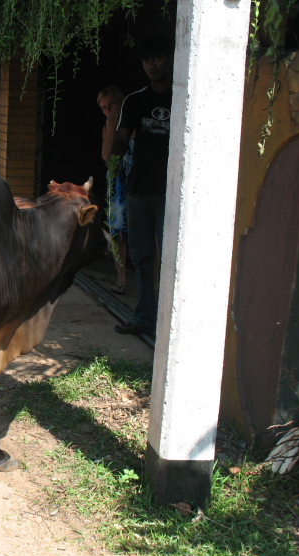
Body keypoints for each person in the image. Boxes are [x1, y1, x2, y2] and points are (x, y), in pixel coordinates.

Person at [109, 34, 173, 338]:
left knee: (171, 260)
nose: (152, 65)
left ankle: (171, 323)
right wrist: (114, 156)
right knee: (144, 258)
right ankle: (146, 318)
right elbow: (123, 135)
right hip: (138, 191)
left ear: (169, 59)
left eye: (157, 58)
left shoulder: (185, 97)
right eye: (147, 60)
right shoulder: (136, 101)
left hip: (171, 194)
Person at [97, 85, 133, 295]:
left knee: (142, 231)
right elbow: (106, 156)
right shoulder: (107, 127)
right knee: (117, 231)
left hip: (136, 179)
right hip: (117, 182)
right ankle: (121, 278)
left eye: (112, 104)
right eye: (104, 107)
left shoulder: (135, 121)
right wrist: (111, 129)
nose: (109, 110)